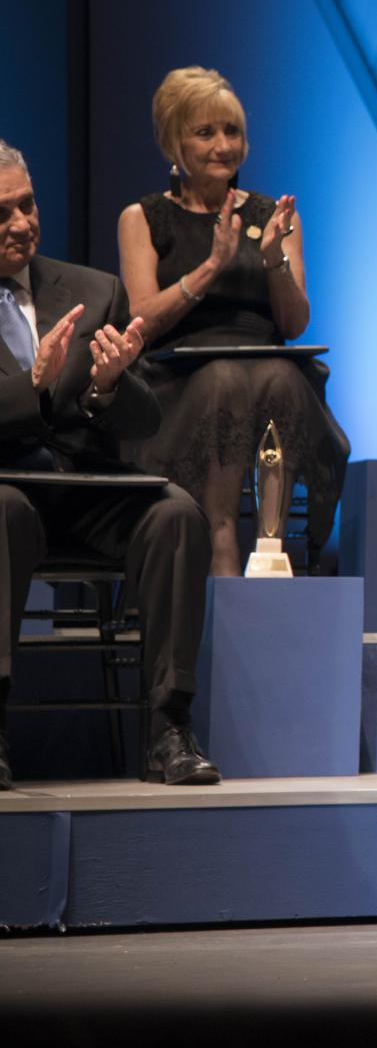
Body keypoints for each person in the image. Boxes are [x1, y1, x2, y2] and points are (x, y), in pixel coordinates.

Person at [0, 141, 219, 789]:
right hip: (8, 491)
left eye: (28, 204)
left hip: (84, 489)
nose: (21, 222)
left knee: (176, 513)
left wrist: (107, 386)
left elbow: (145, 419)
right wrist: (34, 387)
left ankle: (169, 728)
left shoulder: (94, 290)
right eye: (2, 212)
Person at [117, 66, 349, 575]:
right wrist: (210, 268)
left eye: (232, 131)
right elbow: (141, 319)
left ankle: (270, 546)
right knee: (223, 379)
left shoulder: (274, 215)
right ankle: (221, 540)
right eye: (206, 133)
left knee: (282, 376)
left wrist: (272, 261)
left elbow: (293, 324)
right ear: (173, 144)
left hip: (265, 367)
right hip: (177, 381)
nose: (224, 145)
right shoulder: (143, 218)